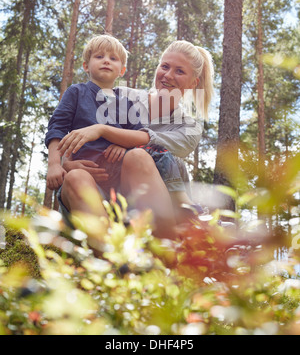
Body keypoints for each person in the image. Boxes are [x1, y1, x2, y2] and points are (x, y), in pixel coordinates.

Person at [58, 40, 214, 228]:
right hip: (97, 195)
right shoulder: (122, 96)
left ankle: (171, 242)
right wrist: (66, 162)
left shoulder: (189, 126)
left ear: (193, 83)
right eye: (164, 66)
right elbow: (80, 122)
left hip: (153, 209)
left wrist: (107, 132)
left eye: (180, 71)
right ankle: (105, 243)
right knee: (76, 178)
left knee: (139, 156)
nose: (168, 75)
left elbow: (145, 140)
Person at [45, 35, 179, 253]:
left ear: (122, 70)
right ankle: (109, 258)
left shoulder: (126, 102)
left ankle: (168, 249)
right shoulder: (76, 93)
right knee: (76, 177)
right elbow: (57, 128)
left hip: (123, 186)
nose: (106, 60)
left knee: (139, 156)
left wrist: (125, 145)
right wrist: (55, 164)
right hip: (87, 183)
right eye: (99, 56)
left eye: (113, 58)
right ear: (86, 65)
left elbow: (138, 135)